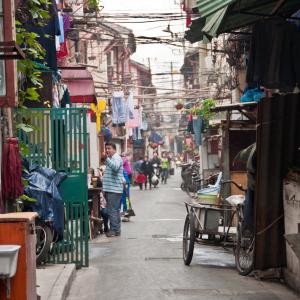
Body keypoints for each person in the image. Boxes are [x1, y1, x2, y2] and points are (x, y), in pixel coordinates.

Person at [102, 142, 124, 237]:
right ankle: (116, 229)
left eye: (109, 148)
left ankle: (114, 230)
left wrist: (106, 159)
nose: (107, 150)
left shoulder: (116, 158)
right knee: (114, 210)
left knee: (112, 210)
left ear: (114, 149)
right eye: (106, 148)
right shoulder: (112, 158)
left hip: (114, 190)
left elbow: (115, 167)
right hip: (111, 189)